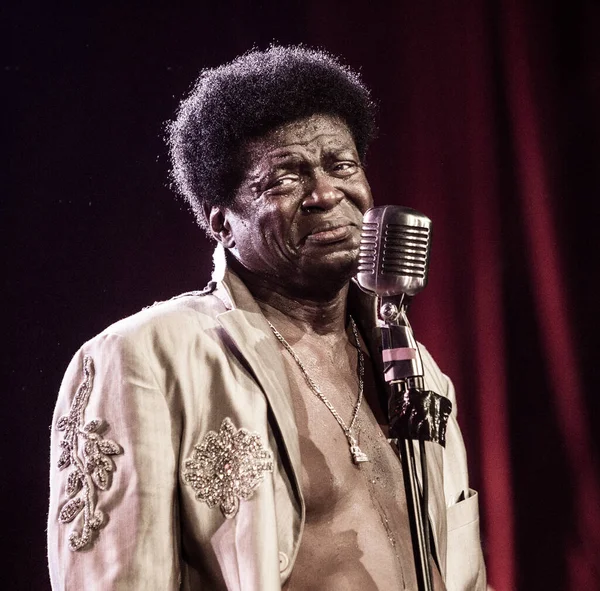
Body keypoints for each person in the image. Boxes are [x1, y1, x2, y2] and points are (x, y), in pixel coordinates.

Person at [48, 45, 486, 590]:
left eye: (342, 165)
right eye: (283, 179)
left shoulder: (416, 369)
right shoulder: (143, 355)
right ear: (222, 224)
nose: (326, 194)